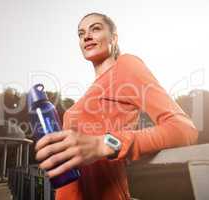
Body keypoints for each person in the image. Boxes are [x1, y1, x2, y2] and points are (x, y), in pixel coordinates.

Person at [35, 12, 198, 200]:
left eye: (95, 29)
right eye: (81, 34)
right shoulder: (88, 93)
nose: (86, 36)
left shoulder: (126, 66)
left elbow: (184, 129)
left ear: (114, 37)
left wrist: (104, 143)